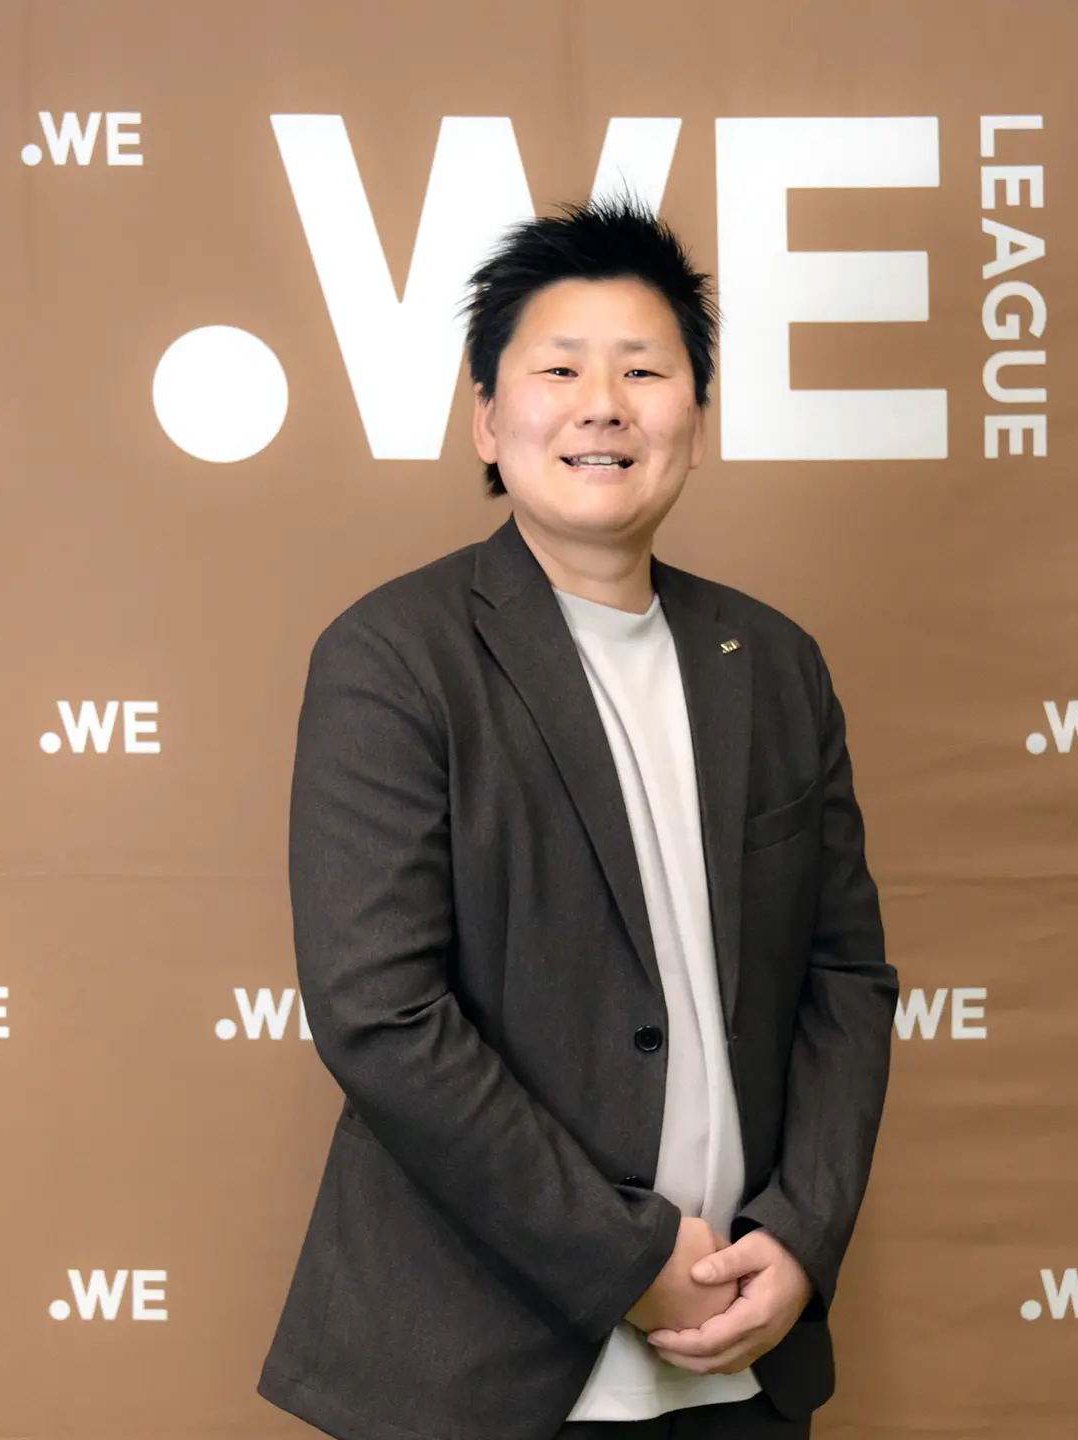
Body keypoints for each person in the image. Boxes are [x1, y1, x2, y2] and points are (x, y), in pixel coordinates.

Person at [257, 197, 896, 1440]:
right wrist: (627, 1257)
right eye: (558, 370)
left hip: (743, 1358)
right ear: (486, 420)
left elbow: (844, 978)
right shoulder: (393, 657)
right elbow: (380, 1014)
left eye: (643, 371)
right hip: (473, 1372)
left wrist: (802, 1236)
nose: (603, 404)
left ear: (695, 421)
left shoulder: (774, 663)